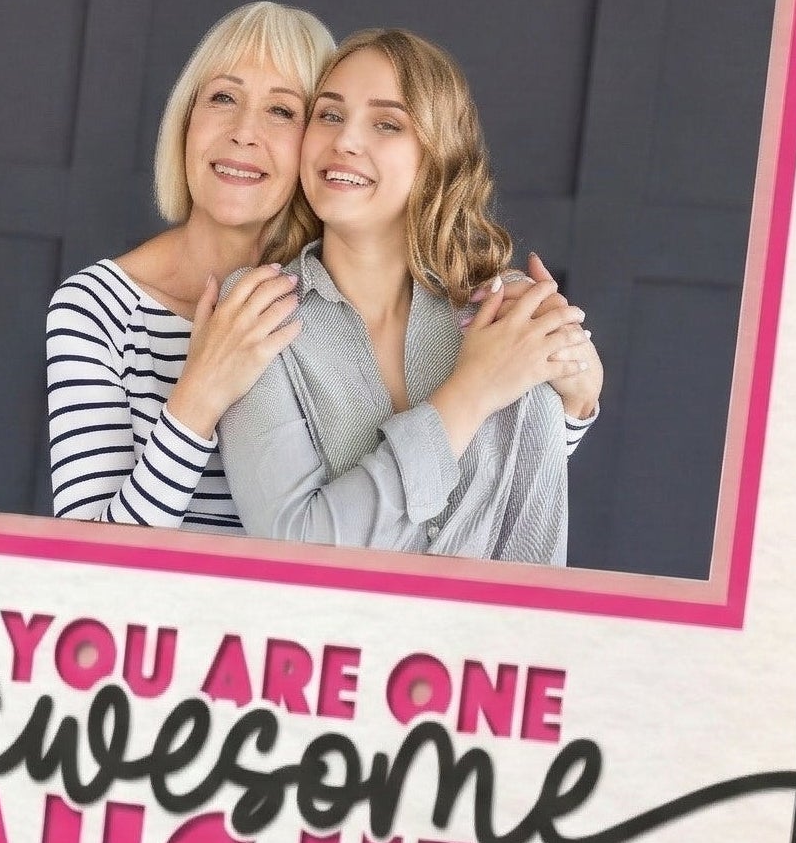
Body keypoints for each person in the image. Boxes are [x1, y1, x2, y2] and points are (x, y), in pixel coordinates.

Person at [218, 28, 603, 566]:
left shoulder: (507, 312)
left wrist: (579, 399)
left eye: (387, 124)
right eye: (329, 115)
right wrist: (472, 392)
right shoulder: (259, 309)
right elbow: (293, 545)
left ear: (436, 154)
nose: (345, 141)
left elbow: (535, 551)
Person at [45, 2, 334, 532]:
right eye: (223, 97)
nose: (244, 132)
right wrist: (199, 392)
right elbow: (89, 563)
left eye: (282, 111)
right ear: (186, 122)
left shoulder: (343, 305)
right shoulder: (94, 309)